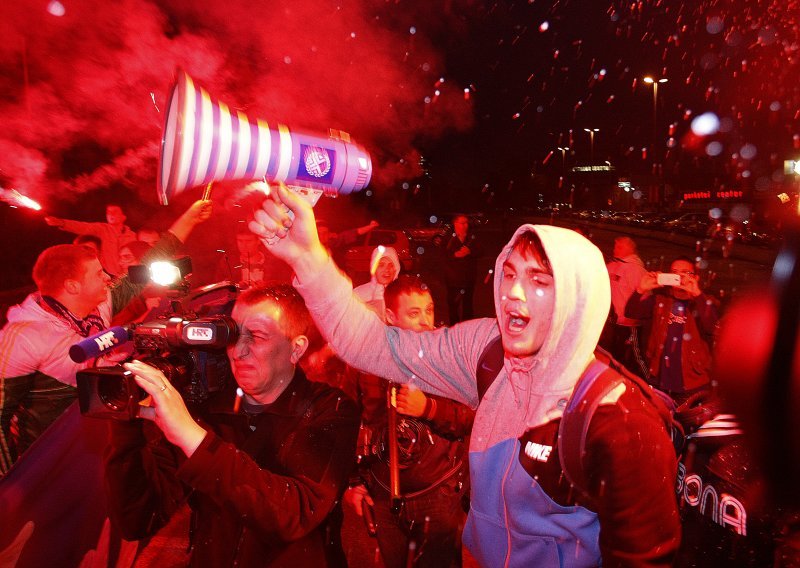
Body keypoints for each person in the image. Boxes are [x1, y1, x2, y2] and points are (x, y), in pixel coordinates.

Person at [247, 184, 681, 566]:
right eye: (510, 273)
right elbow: (373, 345)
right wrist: (307, 258)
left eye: (539, 281)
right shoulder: (487, 352)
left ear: (579, 300)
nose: (513, 292)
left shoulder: (620, 424)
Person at [104, 284, 361, 566]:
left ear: (296, 348)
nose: (238, 352)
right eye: (234, 335)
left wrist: (193, 438)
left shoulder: (331, 409)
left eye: (257, 337)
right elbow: (138, 520)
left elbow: (294, 513)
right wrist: (126, 420)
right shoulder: (211, 407)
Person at [0, 200, 211, 474]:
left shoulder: (99, 304)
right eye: (99, 274)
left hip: (102, 443)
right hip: (53, 465)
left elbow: (150, 259)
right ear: (73, 286)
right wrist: (9, 490)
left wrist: (190, 217)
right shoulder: (22, 337)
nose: (109, 277)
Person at [344, 275, 473, 568]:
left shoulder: (449, 359)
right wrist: (354, 481)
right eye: (414, 313)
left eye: (429, 310)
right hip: (385, 494)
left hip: (436, 496)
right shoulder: (365, 360)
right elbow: (349, 421)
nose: (426, 321)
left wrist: (429, 408)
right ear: (390, 317)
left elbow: (470, 420)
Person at [625, 255, 720, 406]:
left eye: (684, 272)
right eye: (674, 271)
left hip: (692, 382)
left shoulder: (703, 302)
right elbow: (631, 312)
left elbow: (713, 327)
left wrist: (697, 294)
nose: (679, 276)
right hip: (660, 377)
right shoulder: (660, 300)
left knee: (687, 426)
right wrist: (640, 289)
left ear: (695, 277)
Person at [45, 203, 137, 277]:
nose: (111, 214)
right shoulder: (102, 229)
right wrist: (62, 223)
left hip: (131, 275)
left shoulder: (132, 235)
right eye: (108, 212)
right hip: (111, 277)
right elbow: (83, 227)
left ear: (123, 216)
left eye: (115, 211)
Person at [604, 236, 648, 377]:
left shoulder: (636, 270)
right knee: (613, 356)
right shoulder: (612, 266)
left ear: (630, 249)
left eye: (620, 247)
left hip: (629, 325)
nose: (615, 249)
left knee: (635, 358)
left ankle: (647, 384)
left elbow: (645, 297)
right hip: (612, 323)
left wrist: (636, 318)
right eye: (615, 246)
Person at [216, 225, 292, 287]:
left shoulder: (274, 264)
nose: (243, 245)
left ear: (258, 241)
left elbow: (285, 287)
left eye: (248, 241)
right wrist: (236, 287)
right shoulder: (228, 262)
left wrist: (267, 287)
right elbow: (218, 288)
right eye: (240, 241)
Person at [444, 214, 480, 324]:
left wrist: (470, 252)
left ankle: (467, 327)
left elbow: (481, 251)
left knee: (468, 305)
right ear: (455, 223)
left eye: (466, 223)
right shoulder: (448, 237)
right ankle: (454, 328)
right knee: (453, 305)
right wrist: (455, 255)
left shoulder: (472, 237)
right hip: (453, 279)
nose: (464, 225)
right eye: (462, 223)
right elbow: (442, 254)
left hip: (468, 278)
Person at [353, 245, 400, 317]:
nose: (387, 270)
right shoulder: (358, 295)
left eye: (391, 265)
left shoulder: (403, 295)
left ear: (396, 269)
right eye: (381, 265)